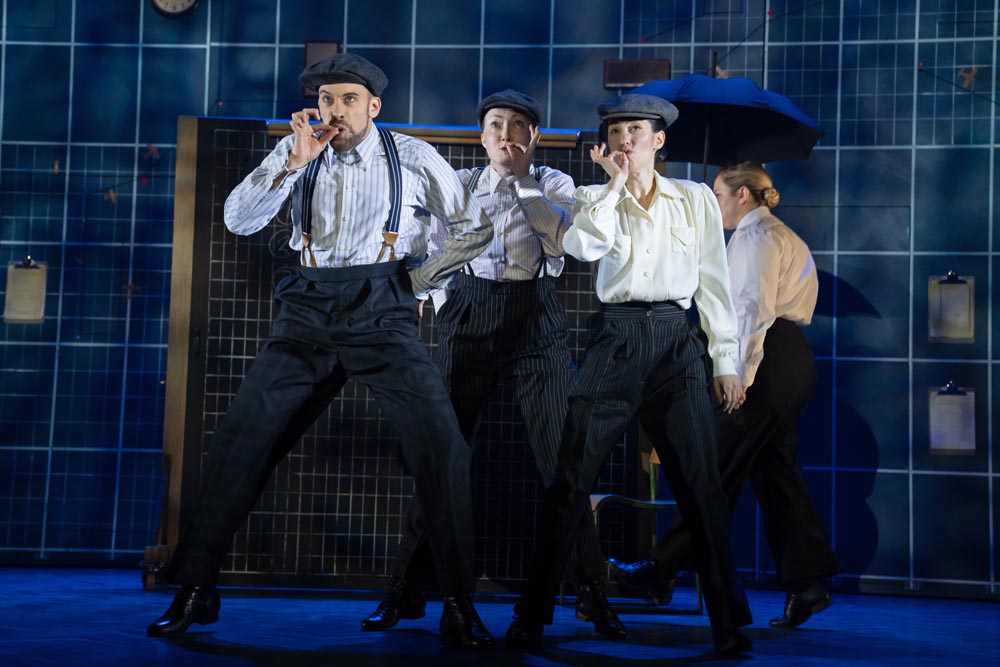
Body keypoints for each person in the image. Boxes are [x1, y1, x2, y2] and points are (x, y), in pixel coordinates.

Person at [146, 53, 498, 651]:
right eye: (329, 100)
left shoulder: (410, 157)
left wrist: (417, 283)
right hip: (306, 309)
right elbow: (237, 221)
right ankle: (196, 589)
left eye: (349, 100)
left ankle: (460, 603)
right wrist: (287, 164)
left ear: (374, 106)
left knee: (442, 446)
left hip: (381, 309)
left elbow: (475, 226)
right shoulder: (298, 150)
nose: (337, 111)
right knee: (239, 441)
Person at [360, 89, 626, 640]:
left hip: (536, 316)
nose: (507, 135)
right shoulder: (455, 186)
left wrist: (522, 181)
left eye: (520, 127)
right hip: (470, 314)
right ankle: (405, 590)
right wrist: (445, 306)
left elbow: (561, 238)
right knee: (445, 457)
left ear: (534, 137)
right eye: (497, 125)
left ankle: (592, 593)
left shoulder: (554, 184)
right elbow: (429, 253)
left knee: (563, 461)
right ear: (483, 135)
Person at [503, 94, 753, 657]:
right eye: (616, 133)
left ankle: (728, 623)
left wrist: (726, 360)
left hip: (676, 342)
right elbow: (582, 246)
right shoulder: (595, 196)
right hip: (615, 340)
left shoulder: (693, 199)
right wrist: (613, 188)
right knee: (570, 482)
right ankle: (533, 614)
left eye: (635, 131)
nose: (625, 141)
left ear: (658, 140)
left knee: (701, 488)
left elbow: (713, 281)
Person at [610, 161, 841, 629]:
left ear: (743, 195)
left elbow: (751, 312)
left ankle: (662, 568)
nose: (713, 204)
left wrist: (737, 374)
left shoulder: (756, 239)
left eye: (718, 194)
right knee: (775, 471)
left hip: (767, 359)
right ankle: (808, 581)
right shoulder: (782, 235)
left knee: (713, 467)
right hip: (790, 358)